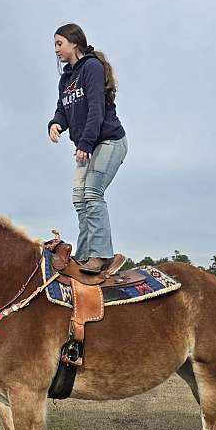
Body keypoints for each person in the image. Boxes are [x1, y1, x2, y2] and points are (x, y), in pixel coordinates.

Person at [48, 23, 127, 274]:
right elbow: (63, 108)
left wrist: (84, 143)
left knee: (92, 193)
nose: (56, 49)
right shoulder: (65, 79)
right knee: (79, 199)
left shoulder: (91, 67)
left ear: (75, 43)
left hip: (108, 141)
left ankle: (102, 255)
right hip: (87, 146)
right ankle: (83, 256)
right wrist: (56, 123)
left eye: (60, 43)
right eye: (55, 45)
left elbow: (96, 108)